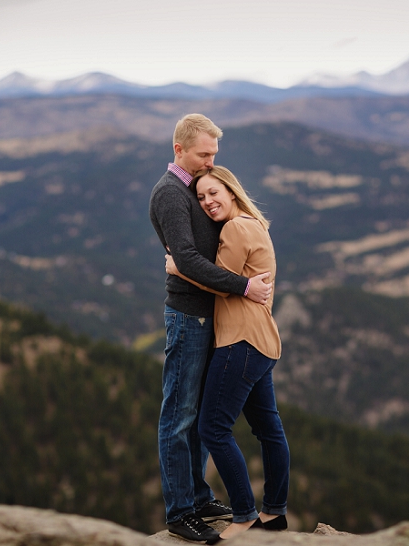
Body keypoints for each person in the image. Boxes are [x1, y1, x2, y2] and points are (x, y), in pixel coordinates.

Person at [148, 114, 273, 543]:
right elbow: (185, 259)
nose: (210, 161)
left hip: (211, 316)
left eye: (214, 155)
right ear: (179, 149)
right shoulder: (169, 193)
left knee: (199, 414)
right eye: (204, 154)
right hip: (189, 316)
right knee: (179, 415)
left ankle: (199, 498)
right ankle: (180, 511)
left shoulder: (191, 187)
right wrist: (243, 286)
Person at [166, 166, 289, 543]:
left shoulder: (236, 229)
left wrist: (178, 267)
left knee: (212, 429)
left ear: (232, 190)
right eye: (201, 198)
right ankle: (275, 511)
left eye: (213, 193)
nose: (207, 202)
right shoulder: (255, 224)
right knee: (268, 429)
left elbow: (220, 281)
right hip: (263, 341)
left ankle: (245, 515)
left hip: (240, 341)